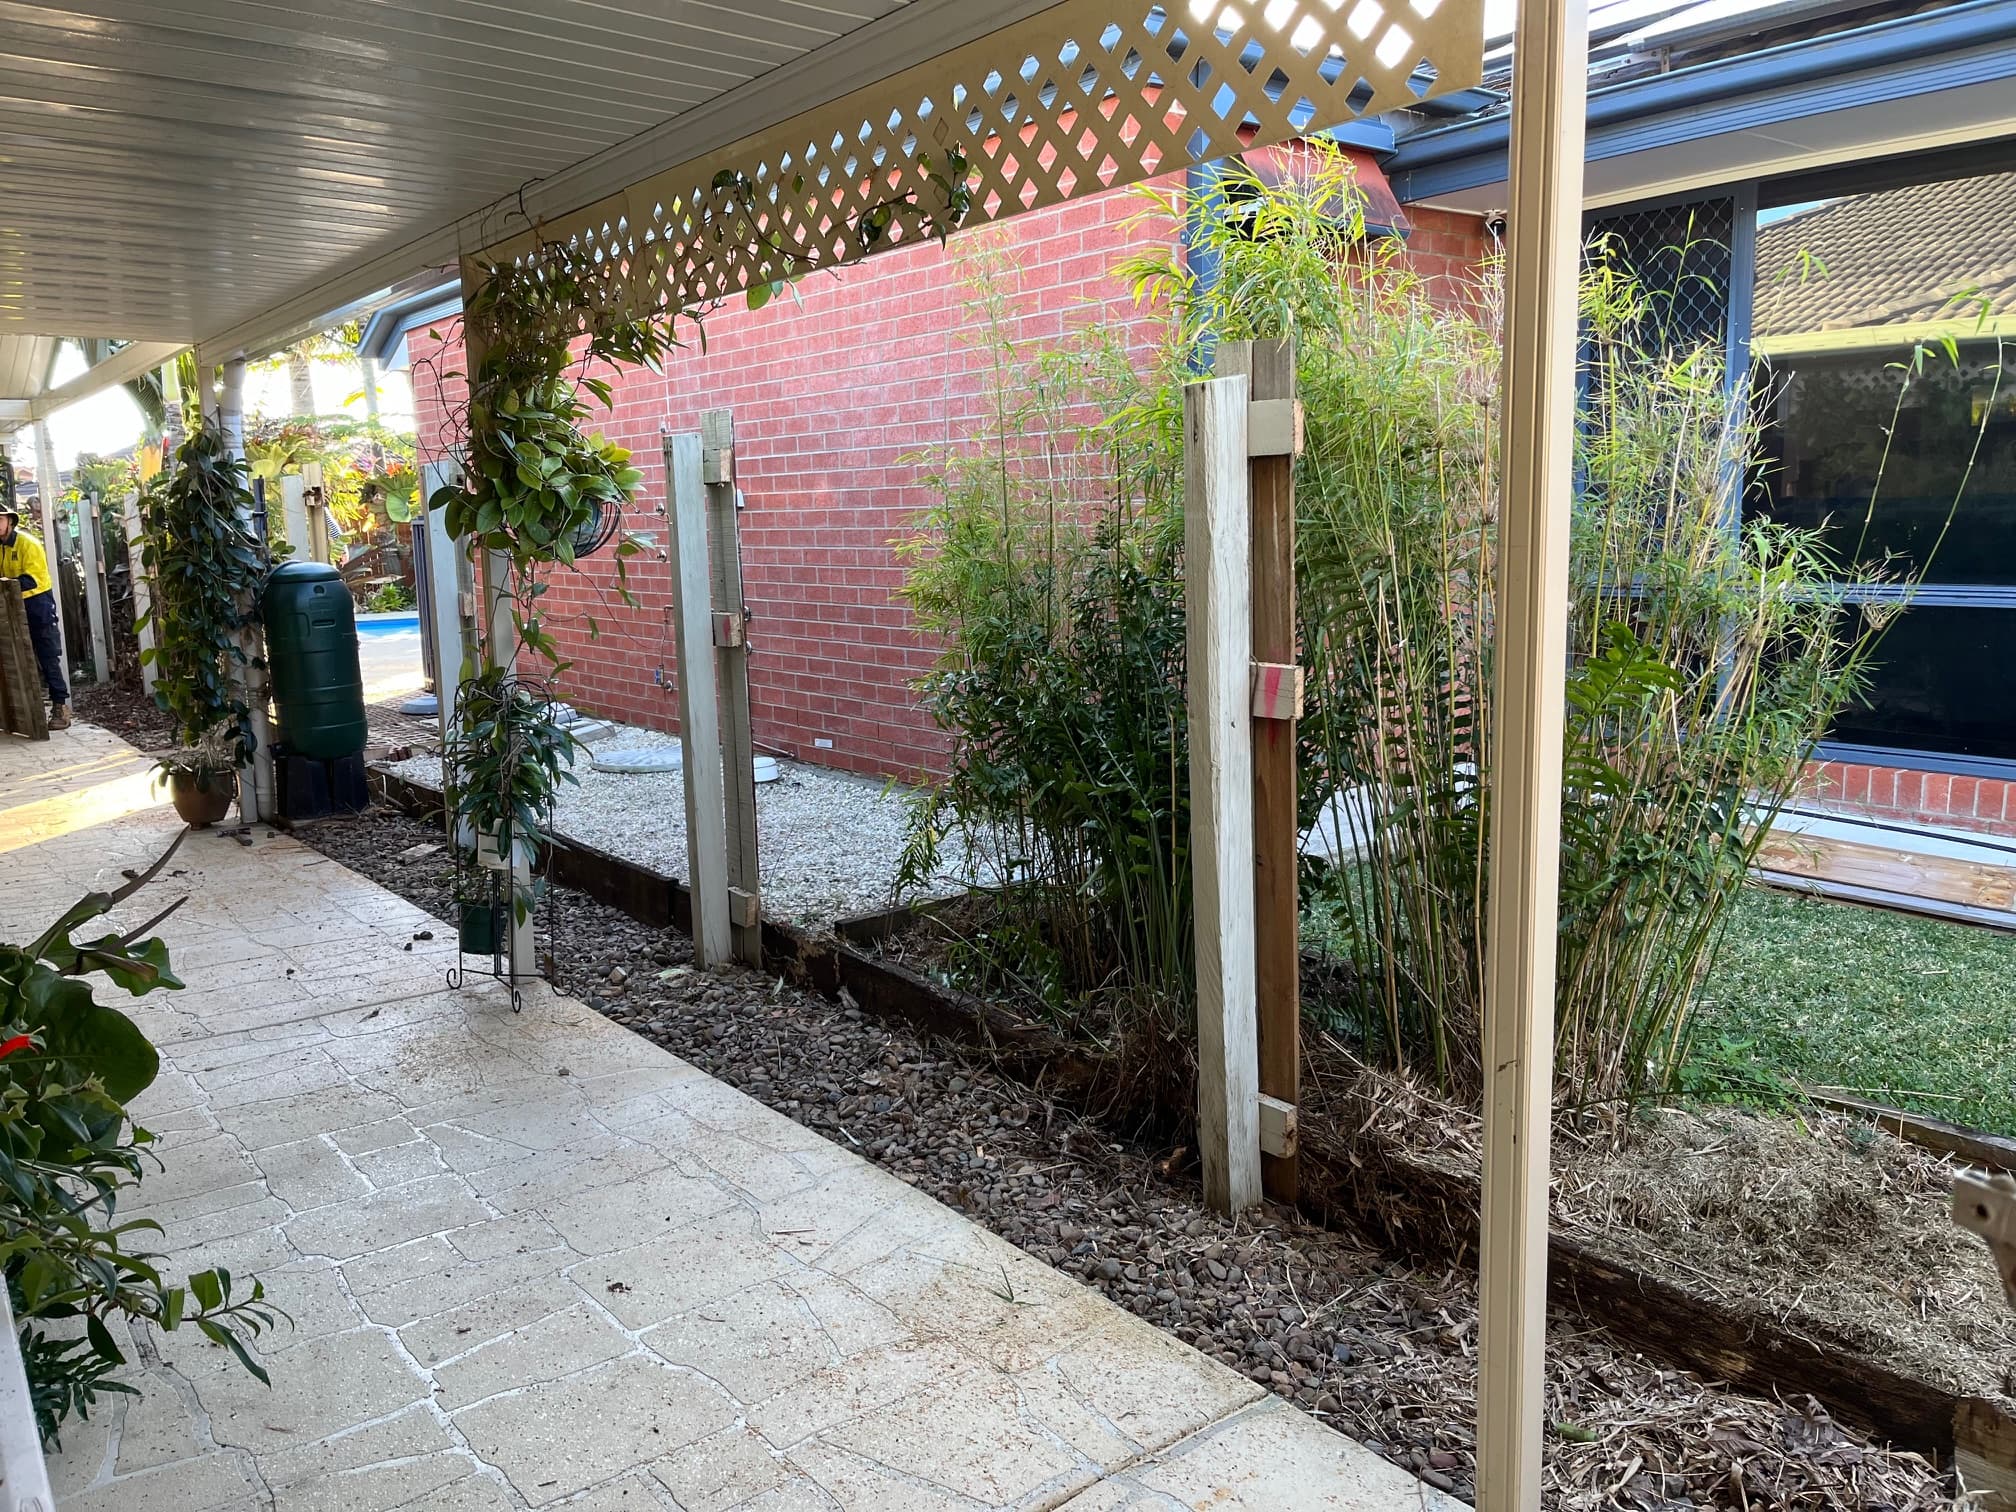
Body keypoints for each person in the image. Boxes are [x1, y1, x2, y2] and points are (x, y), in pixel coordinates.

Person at [0, 504, 72, 729]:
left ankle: (60, 707)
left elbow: (32, 580)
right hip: (11, 605)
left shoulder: (28, 544)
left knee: (47, 655)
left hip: (36, 604)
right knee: (14, 657)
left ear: (9, 521)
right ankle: (27, 709)